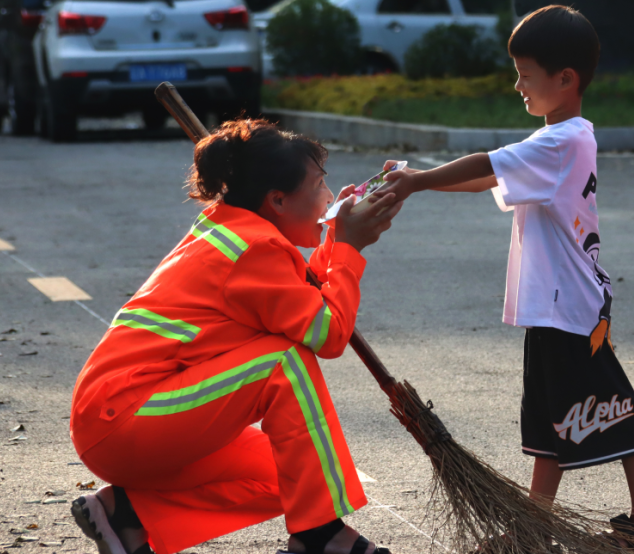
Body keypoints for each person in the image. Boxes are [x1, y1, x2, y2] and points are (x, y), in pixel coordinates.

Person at [383, 5, 634, 552]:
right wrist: (417, 183)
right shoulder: (562, 140)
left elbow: (483, 160)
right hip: (562, 306)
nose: (516, 85)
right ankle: (536, 526)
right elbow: (490, 175)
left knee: (614, 412)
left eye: (524, 74)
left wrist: (416, 182)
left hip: (569, 308)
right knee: (551, 424)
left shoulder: (560, 142)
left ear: (565, 80)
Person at [69, 119, 403, 554]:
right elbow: (328, 333)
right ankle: (321, 537)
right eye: (320, 185)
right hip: (125, 417)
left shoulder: (243, 232)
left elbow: (303, 306)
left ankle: (128, 514)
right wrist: (349, 249)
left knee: (303, 472)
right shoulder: (254, 247)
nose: (328, 196)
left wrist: (340, 240)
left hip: (127, 416)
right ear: (278, 200)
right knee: (284, 362)